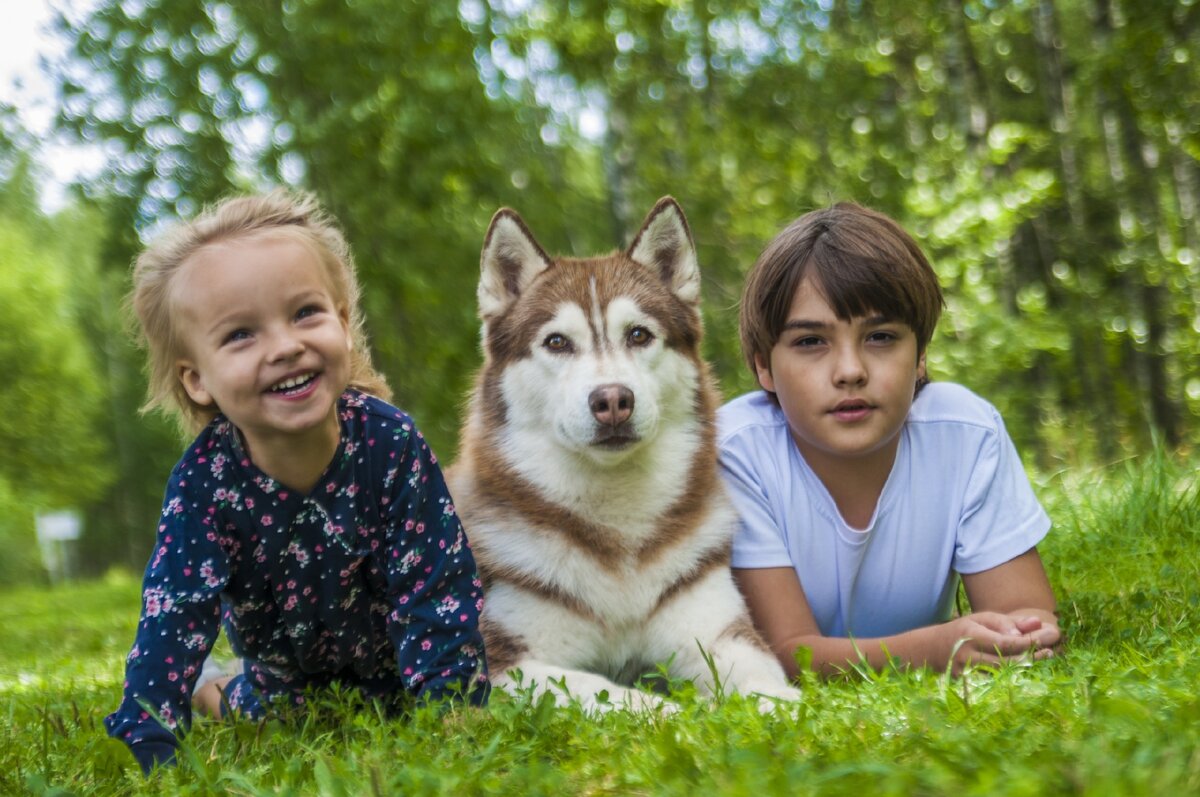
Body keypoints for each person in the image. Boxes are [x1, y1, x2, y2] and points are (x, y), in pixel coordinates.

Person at [105, 191, 488, 774]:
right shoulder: (204, 485)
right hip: (284, 694)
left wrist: (451, 713)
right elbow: (174, 614)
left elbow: (436, 589)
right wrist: (150, 743)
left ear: (344, 323)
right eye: (240, 335)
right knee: (244, 706)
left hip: (400, 679)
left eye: (306, 312)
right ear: (197, 379)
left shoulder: (390, 444)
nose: (285, 347)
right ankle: (211, 685)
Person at [719, 202, 1061, 679]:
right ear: (763, 366)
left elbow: (1027, 613)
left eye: (880, 337)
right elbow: (785, 655)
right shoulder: (736, 453)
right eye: (811, 342)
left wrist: (1017, 636)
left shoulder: (966, 435)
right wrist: (933, 650)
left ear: (920, 355)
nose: (850, 371)